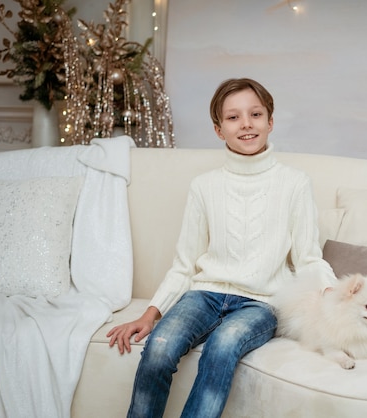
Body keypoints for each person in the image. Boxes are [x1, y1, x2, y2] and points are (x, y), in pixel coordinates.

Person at [107, 77, 336, 418]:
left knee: (222, 346)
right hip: (204, 295)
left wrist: (333, 291)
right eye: (233, 117)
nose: (246, 124)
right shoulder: (204, 187)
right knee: (161, 347)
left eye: (255, 114)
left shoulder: (295, 183)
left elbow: (308, 257)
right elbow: (185, 264)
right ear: (218, 130)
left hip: (261, 304)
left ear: (270, 122)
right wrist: (150, 313)